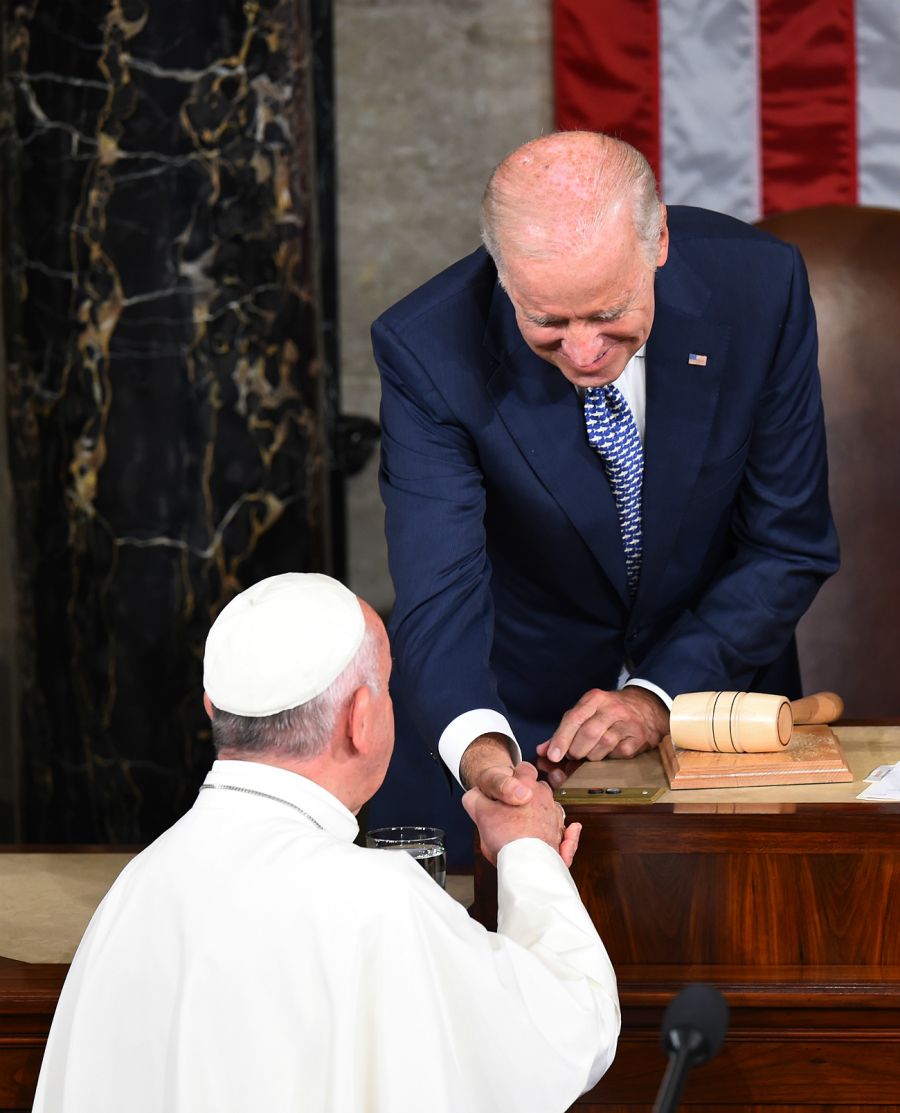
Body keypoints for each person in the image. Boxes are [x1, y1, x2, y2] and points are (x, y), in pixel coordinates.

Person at [371, 130, 838, 835]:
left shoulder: (757, 288)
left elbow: (787, 543)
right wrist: (485, 755)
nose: (585, 352)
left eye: (609, 313)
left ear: (658, 244)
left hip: (715, 711)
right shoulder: (429, 349)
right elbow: (438, 591)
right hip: (520, 721)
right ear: (503, 275)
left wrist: (656, 696)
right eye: (547, 320)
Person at [32, 573, 620, 1113]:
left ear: (212, 709)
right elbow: (570, 1031)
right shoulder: (375, 898)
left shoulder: (137, 886)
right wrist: (529, 852)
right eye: (387, 687)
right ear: (360, 719)